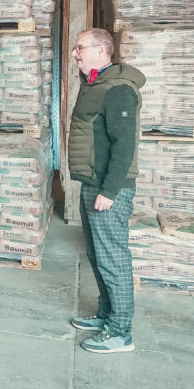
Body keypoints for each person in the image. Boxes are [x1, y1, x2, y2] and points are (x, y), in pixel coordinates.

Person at [68, 28, 145, 354]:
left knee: (113, 259)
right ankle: (106, 315)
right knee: (97, 255)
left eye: (80, 47)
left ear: (101, 50)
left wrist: (110, 191)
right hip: (93, 182)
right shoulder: (95, 84)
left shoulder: (119, 89)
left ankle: (121, 332)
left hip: (108, 188)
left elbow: (125, 146)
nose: (75, 53)